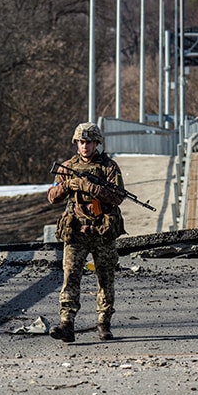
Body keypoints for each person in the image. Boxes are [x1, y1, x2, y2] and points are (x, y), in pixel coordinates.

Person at [47, 122, 126, 342]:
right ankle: (67, 324)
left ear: (96, 143)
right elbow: (52, 197)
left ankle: (104, 323)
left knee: (105, 277)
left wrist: (92, 188)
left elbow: (119, 196)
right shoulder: (66, 167)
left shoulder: (109, 167)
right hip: (76, 231)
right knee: (70, 276)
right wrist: (69, 186)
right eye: (81, 142)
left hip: (102, 230)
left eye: (89, 142)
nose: (85, 147)